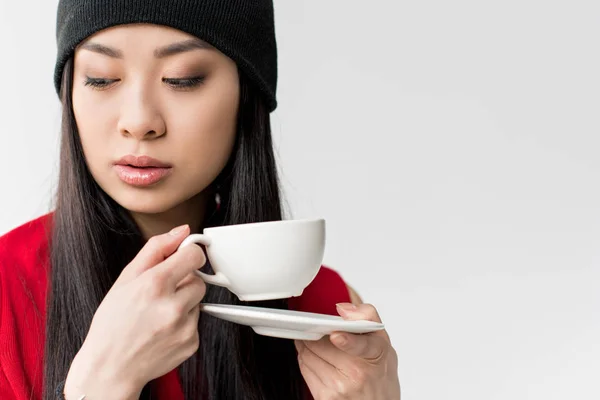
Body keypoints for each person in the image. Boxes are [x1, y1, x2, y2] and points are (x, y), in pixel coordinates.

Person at [0, 1, 401, 399]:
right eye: (101, 79)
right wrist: (102, 383)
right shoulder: (9, 288)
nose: (139, 121)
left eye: (182, 79)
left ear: (247, 94)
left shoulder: (326, 316)